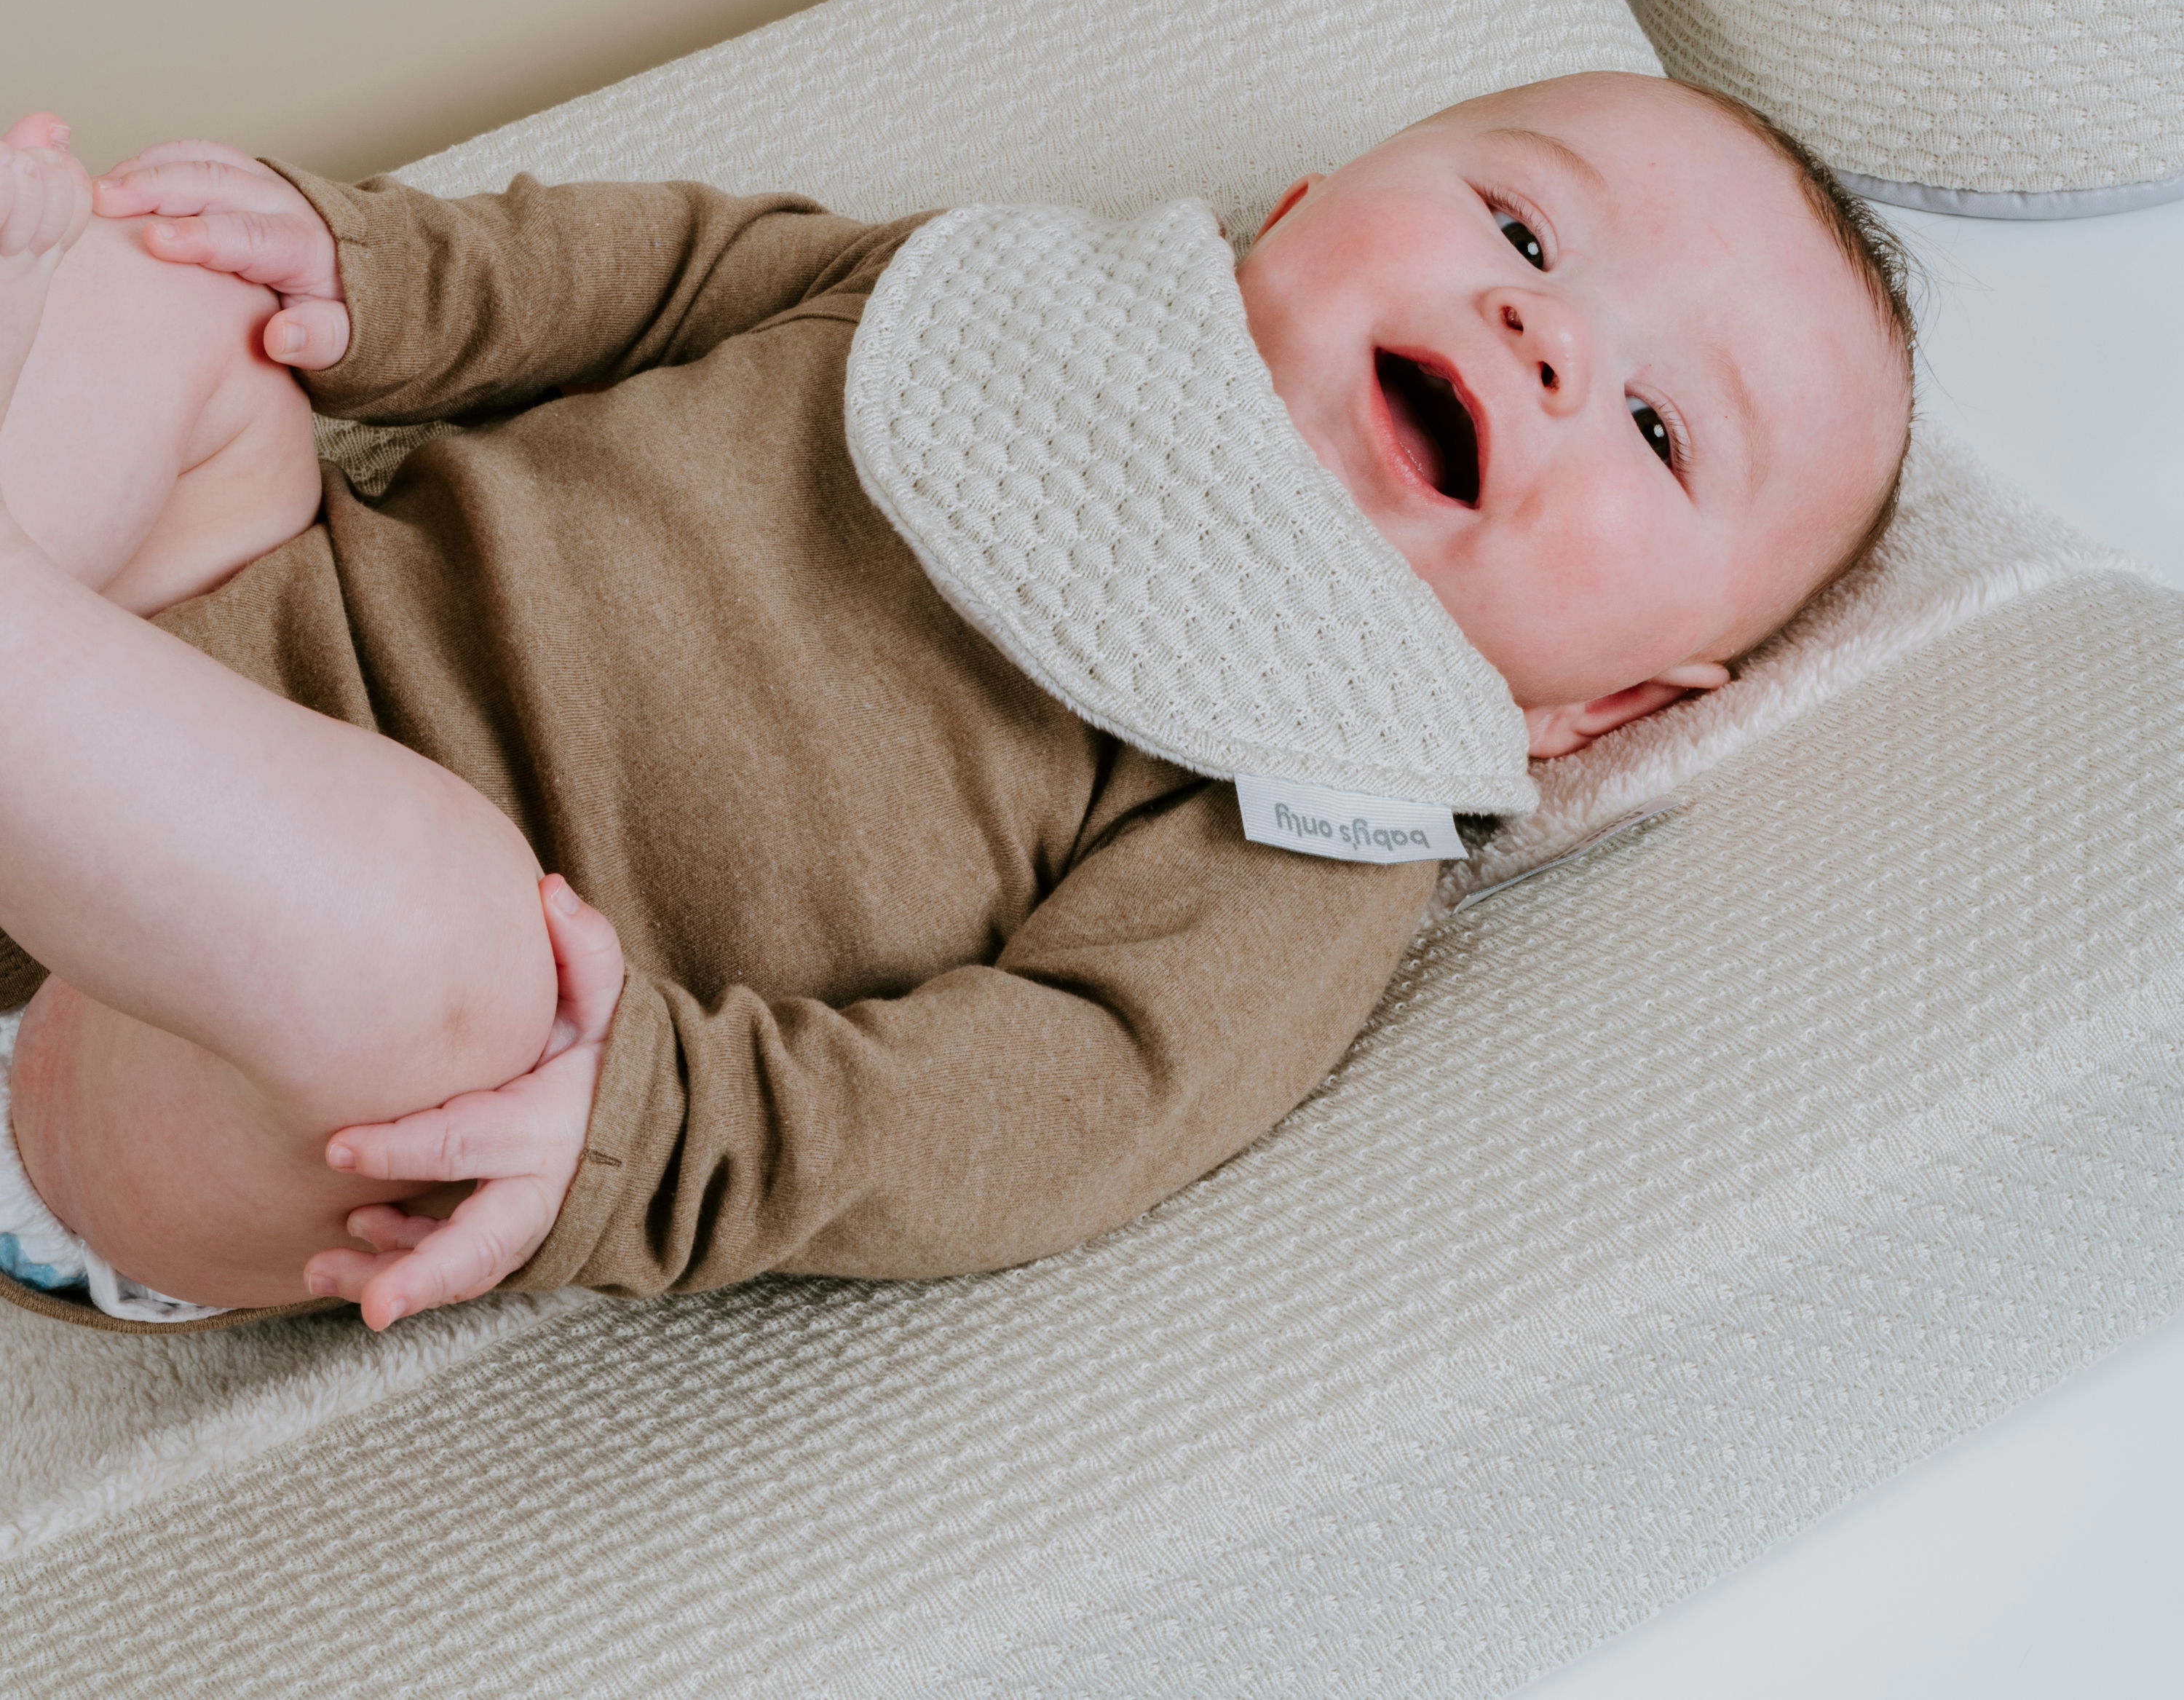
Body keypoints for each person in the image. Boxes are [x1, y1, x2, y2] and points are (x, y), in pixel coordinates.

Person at [0, 73, 1911, 1332]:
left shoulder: (1317, 803)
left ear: (1607, 708)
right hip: (241, 604)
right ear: (1300, 207)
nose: (1552, 331)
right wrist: (372, 268)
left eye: (1662, 428)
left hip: (236, 1049)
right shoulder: (994, 292)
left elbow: (1064, 1099)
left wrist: (645, 1132)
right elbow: (664, 275)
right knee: (167, 291)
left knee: (441, 924)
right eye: (1518, 223)